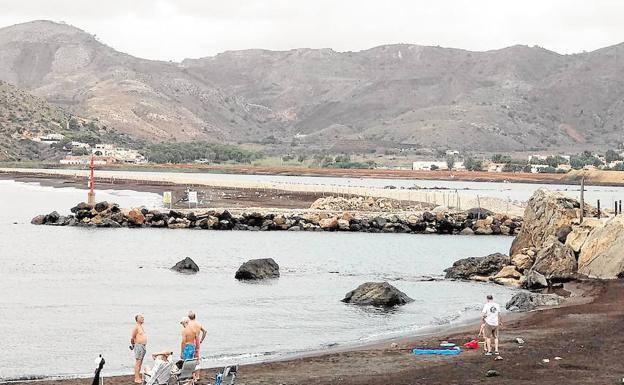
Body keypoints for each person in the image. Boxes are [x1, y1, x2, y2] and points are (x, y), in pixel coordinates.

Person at [188, 311, 207, 379]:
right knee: (197, 359)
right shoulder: (198, 324)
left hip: (191, 341)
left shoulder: (189, 324)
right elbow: (204, 331)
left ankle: (193, 376)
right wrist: (201, 340)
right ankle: (197, 376)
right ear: (195, 316)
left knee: (190, 359)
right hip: (197, 341)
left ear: (188, 317)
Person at [130, 314, 148, 383]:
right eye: (141, 317)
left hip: (143, 346)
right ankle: (136, 378)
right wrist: (133, 345)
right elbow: (132, 337)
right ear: (137, 319)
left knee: (140, 362)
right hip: (138, 346)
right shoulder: (136, 327)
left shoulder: (141, 327)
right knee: (138, 362)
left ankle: (138, 377)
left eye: (143, 317)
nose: (143, 318)